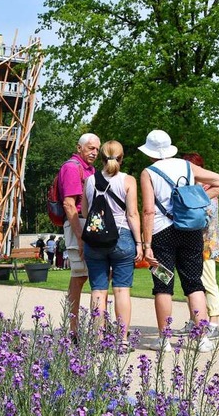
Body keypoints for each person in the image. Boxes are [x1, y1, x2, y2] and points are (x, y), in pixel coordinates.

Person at [139, 130, 219, 353]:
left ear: (150, 152)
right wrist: (198, 199)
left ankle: (164, 339)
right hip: (190, 231)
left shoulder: (148, 172)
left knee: (163, 285)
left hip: (161, 234)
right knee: (194, 283)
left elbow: (149, 210)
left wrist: (146, 243)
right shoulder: (187, 167)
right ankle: (202, 338)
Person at [81, 140, 143, 349]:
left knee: (98, 291)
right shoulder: (128, 180)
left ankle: (98, 340)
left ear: (101, 158)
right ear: (121, 157)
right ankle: (123, 340)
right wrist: (140, 243)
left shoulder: (90, 181)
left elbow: (84, 212)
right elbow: (132, 214)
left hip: (95, 239)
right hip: (122, 236)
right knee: (121, 290)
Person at [174, 153, 219, 338]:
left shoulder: (210, 191)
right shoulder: (192, 190)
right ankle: (195, 321)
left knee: (208, 284)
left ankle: (214, 323)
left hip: (206, 245)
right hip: (190, 244)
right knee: (192, 285)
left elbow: (205, 218)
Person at [58, 132, 100, 337]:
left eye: (97, 149)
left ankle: (93, 326)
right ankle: (73, 329)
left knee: (90, 276)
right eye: (91, 148)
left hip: (89, 223)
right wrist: (81, 236)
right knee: (79, 276)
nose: (94, 152)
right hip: (79, 224)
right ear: (79, 148)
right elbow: (69, 204)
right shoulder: (72, 168)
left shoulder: (89, 170)